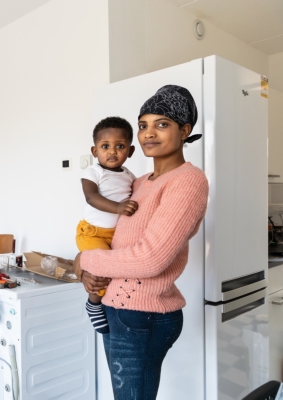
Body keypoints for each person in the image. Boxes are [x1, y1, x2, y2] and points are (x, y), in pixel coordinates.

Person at [79, 85, 209, 400]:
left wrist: (82, 260)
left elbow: (149, 259)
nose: (148, 133)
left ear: (184, 131)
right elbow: (114, 241)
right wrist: (88, 274)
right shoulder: (137, 183)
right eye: (143, 125)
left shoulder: (188, 181)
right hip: (116, 308)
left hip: (143, 315)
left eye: (161, 124)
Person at [76, 116, 137, 334]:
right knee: (101, 270)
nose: (112, 151)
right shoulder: (93, 172)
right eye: (105, 146)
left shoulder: (129, 175)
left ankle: (107, 303)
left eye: (120, 146)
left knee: (119, 270)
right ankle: (93, 304)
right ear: (94, 151)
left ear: (130, 151)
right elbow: (91, 197)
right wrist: (118, 208)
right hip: (92, 233)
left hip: (116, 234)